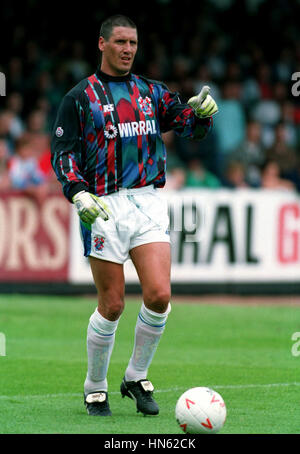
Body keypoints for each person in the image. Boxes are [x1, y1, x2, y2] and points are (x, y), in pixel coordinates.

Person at [51, 14, 218, 418]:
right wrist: (78, 193)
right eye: (121, 42)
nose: (128, 49)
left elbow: (186, 125)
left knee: (159, 295)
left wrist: (201, 114)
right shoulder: (79, 98)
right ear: (102, 44)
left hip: (147, 201)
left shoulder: (151, 92)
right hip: (104, 205)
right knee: (112, 305)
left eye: (133, 43)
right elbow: (63, 154)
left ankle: (135, 375)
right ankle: (95, 386)